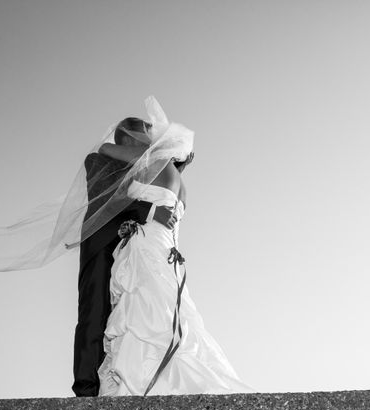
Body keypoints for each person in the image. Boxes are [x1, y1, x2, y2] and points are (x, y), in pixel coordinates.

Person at [95, 131, 253, 396]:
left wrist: (135, 150)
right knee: (164, 315)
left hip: (149, 249)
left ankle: (138, 387)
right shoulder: (177, 179)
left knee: (145, 314)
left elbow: (104, 149)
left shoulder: (151, 160)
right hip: (168, 253)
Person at [73, 117, 179, 397]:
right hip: (102, 244)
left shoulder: (145, 164)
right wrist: (149, 211)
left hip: (132, 252)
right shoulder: (98, 159)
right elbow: (104, 199)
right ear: (128, 136)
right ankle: (86, 390)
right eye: (144, 131)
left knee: (127, 318)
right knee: (95, 314)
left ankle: (115, 384)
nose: (150, 136)